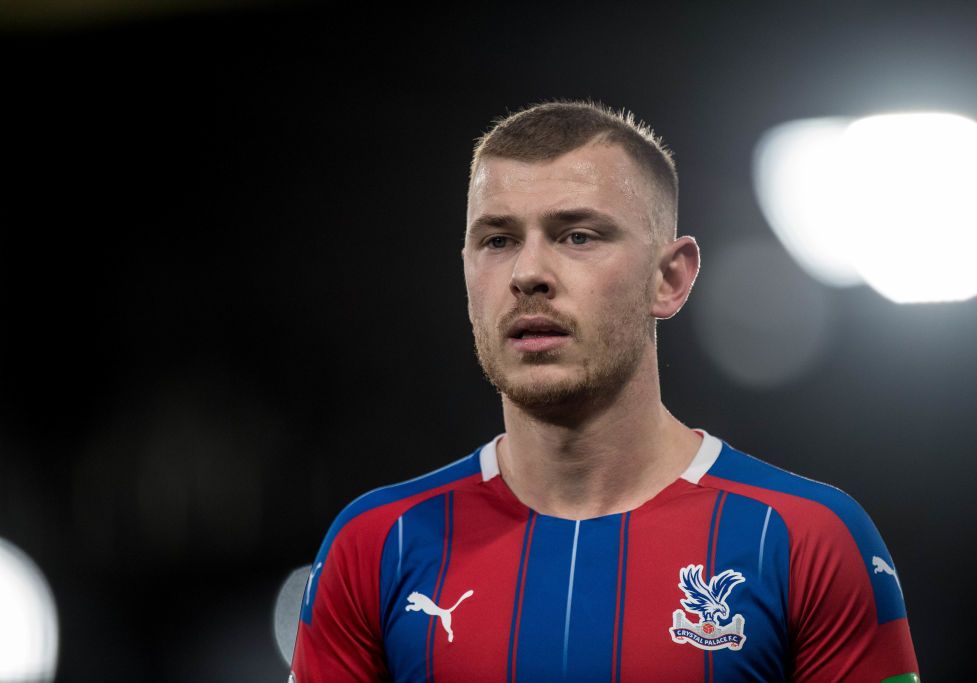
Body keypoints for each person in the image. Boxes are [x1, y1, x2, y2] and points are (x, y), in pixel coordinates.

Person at [289, 100, 920, 682]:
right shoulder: (376, 545)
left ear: (669, 278)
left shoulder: (808, 539)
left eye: (577, 236)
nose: (528, 274)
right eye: (498, 240)